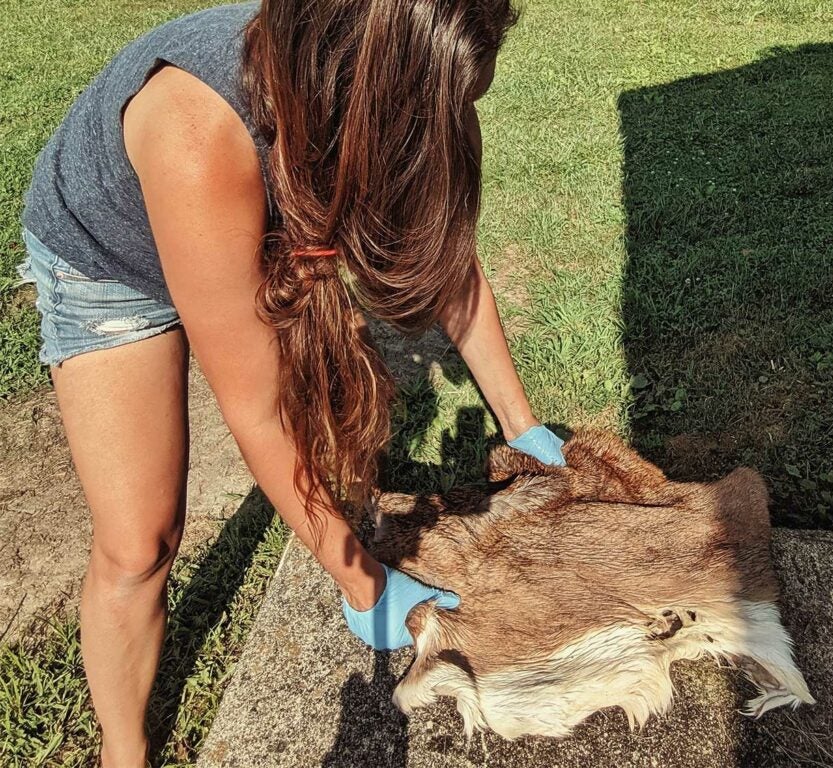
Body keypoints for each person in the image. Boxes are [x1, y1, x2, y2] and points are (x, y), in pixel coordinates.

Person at [16, 1, 565, 765]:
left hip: (243, 197)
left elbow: (444, 256)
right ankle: (122, 751)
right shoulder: (196, 130)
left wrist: (523, 428)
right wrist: (365, 586)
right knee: (139, 541)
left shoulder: (390, 79)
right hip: (110, 259)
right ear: (372, 88)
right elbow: (258, 408)